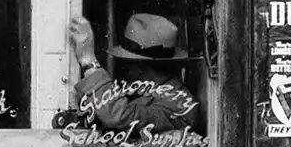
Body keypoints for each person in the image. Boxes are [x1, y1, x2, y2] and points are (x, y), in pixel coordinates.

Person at [68, 12, 200, 135]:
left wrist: (88, 61)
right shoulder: (140, 88)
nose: (123, 67)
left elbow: (120, 116)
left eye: (126, 61)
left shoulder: (180, 104)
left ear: (140, 64)